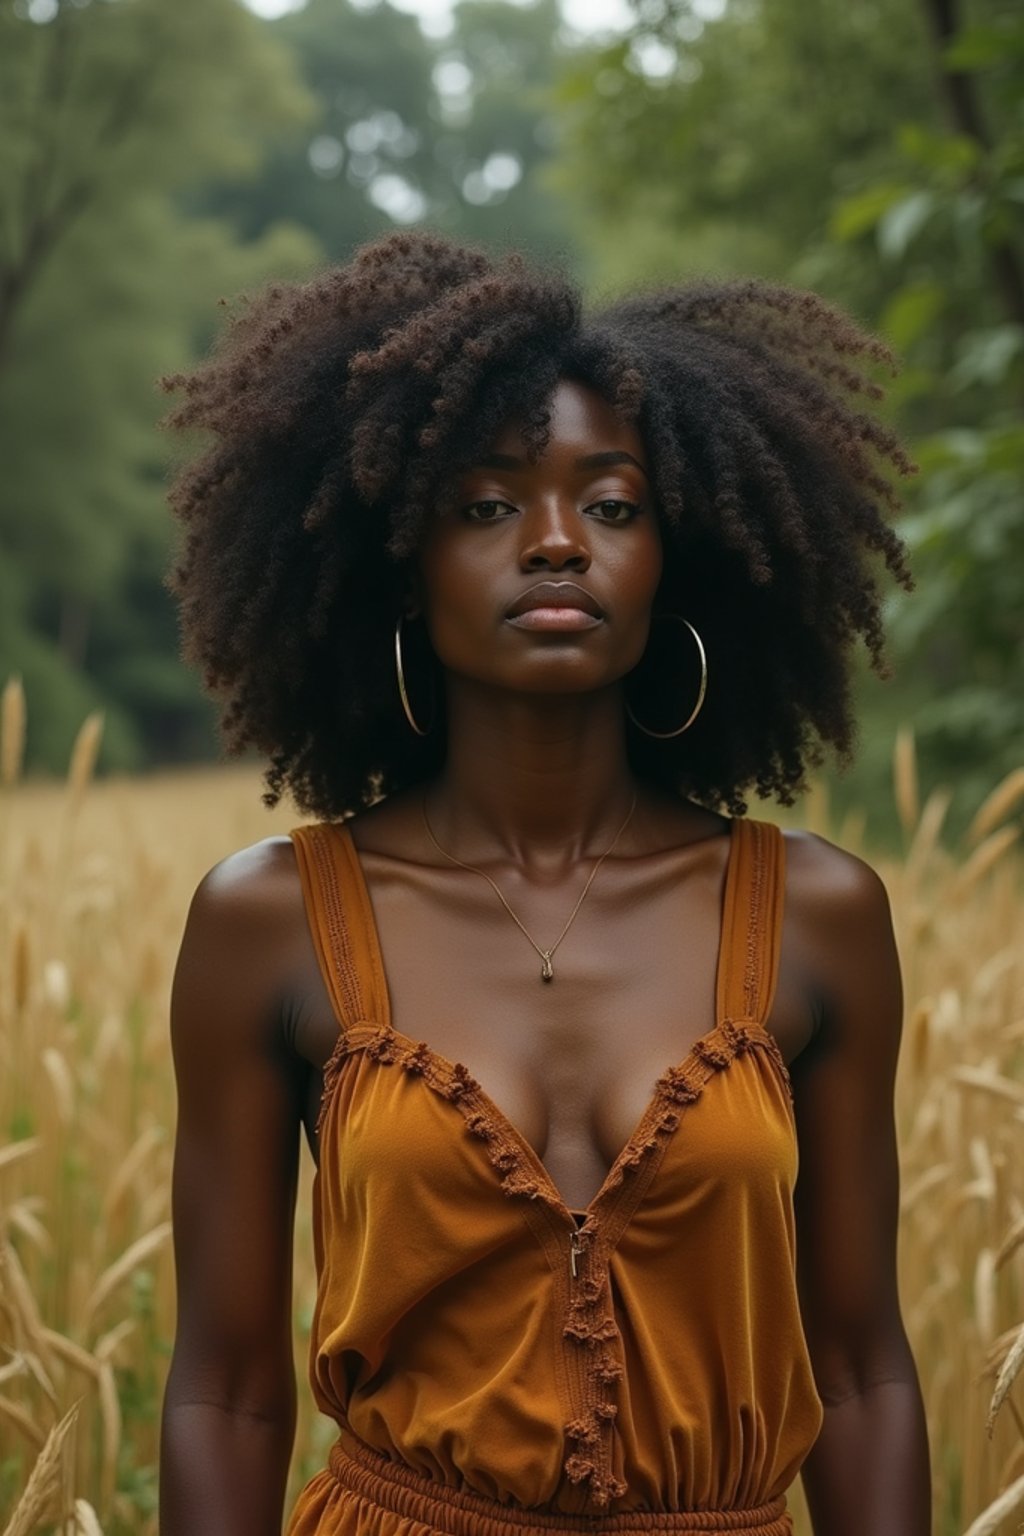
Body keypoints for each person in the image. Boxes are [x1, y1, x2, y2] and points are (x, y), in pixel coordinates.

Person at [158, 231, 931, 1536]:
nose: (558, 543)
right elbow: (225, 1394)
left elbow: (859, 1374)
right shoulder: (270, 923)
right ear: (397, 560)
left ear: (676, 559)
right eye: (487, 505)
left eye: (614, 504)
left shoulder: (819, 918)